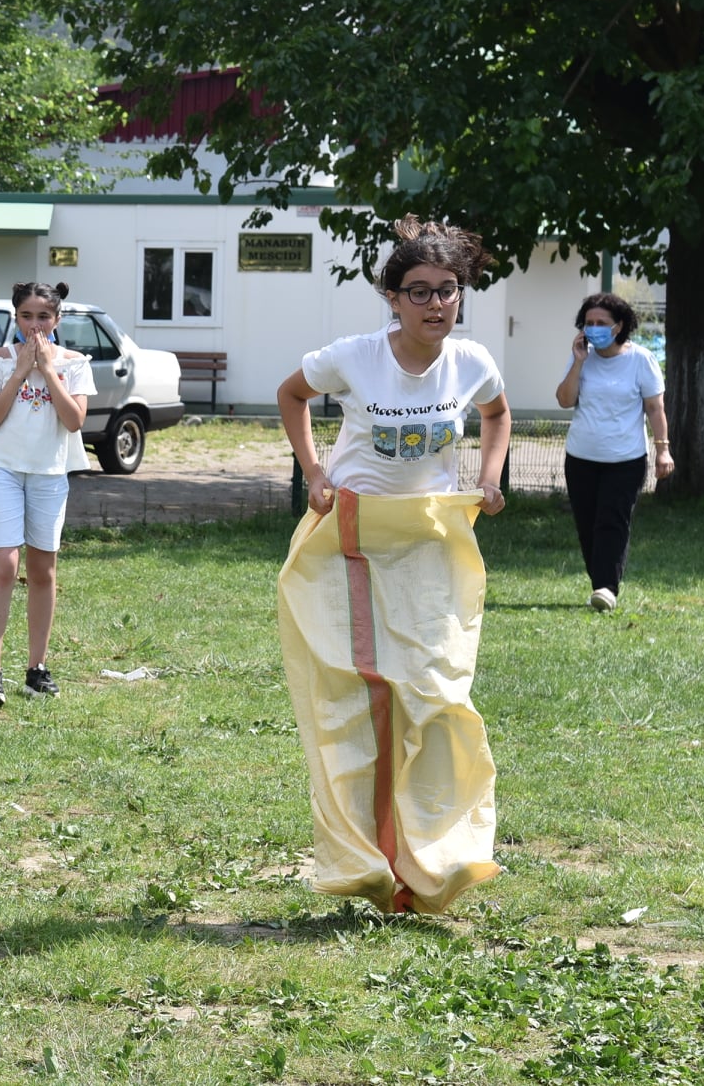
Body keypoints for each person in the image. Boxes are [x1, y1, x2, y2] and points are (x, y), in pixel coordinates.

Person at [274, 216, 510, 916]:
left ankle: (437, 863)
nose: (437, 304)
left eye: (449, 290)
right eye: (420, 292)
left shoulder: (472, 363)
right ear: (392, 297)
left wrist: (491, 475)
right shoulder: (353, 356)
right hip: (350, 538)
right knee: (356, 703)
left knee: (439, 697)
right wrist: (314, 470)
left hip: (432, 542)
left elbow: (496, 413)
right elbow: (291, 395)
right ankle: (364, 863)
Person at [0, 282, 93, 707]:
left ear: (57, 320)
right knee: (4, 564)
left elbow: (74, 420)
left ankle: (36, 668)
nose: (35, 325)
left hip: (49, 473)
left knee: (43, 571)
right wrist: (21, 371)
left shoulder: (76, 364)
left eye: (44, 316)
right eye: (27, 316)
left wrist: (47, 370)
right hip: (3, 469)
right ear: (15, 318)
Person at [557, 292, 672, 612]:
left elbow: (655, 408)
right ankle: (601, 582)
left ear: (619, 326)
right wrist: (578, 363)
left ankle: (606, 587)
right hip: (580, 458)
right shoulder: (581, 357)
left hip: (625, 460)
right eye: (589, 323)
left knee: (612, 521)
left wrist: (663, 450)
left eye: (601, 323)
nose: (594, 328)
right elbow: (565, 400)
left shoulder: (641, 359)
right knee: (587, 523)